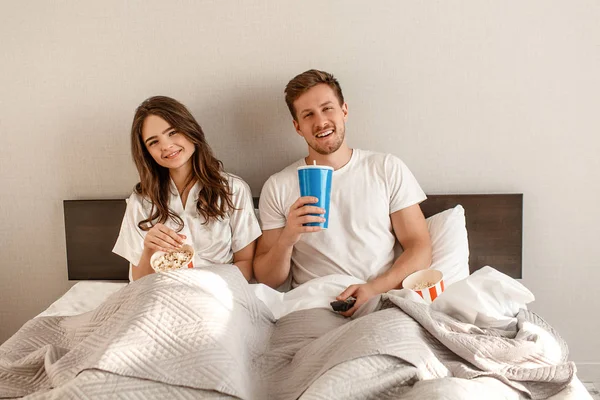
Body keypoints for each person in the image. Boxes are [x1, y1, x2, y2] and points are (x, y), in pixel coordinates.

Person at [254, 70, 432, 316]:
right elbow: (267, 279)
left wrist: (372, 289)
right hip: (313, 305)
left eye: (327, 109)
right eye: (308, 115)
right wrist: (288, 237)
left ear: (344, 111)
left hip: (380, 300)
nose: (320, 122)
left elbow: (419, 246)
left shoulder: (386, 168)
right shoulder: (278, 185)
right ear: (297, 126)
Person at [113, 96, 261, 282]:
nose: (166, 146)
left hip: (218, 293)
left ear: (190, 130)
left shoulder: (233, 189)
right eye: (153, 142)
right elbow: (138, 282)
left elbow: (245, 263)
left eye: (173, 132)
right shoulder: (141, 200)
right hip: (162, 295)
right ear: (147, 152)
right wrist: (149, 250)